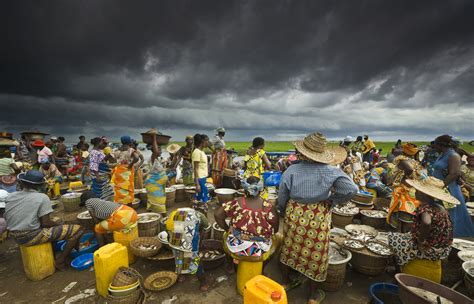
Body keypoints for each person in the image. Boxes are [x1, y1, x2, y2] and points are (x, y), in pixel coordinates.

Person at [277, 132, 357, 304]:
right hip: (318, 215)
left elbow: (282, 196)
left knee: (290, 245)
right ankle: (312, 297)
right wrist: (332, 201)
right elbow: (351, 189)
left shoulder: (291, 170)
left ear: (302, 152)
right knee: (316, 253)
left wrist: (284, 211)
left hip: (295, 213)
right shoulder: (331, 171)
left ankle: (285, 282)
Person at [5, 170, 83, 270]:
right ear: (39, 185)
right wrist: (60, 223)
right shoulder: (42, 197)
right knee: (78, 229)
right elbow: (46, 223)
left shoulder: (11, 196)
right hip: (30, 236)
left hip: (14, 235)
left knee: (56, 223)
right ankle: (60, 261)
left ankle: (55, 251)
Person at [388, 176, 456, 269]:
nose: (414, 192)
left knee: (392, 238)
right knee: (406, 235)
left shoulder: (425, 208)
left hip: (427, 248)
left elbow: (426, 222)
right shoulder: (441, 208)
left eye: (416, 190)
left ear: (422, 193)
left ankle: (398, 269)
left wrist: (421, 241)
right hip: (442, 248)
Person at [214, 176, 280, 263]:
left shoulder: (237, 203)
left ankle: (231, 265)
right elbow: (275, 230)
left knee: (225, 236)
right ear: (261, 190)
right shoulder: (268, 207)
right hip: (260, 250)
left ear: (244, 189)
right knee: (278, 238)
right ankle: (263, 266)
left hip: (236, 247)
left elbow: (217, 215)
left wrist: (227, 230)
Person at [432, 135, 474, 237]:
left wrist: (439, 187)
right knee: (441, 213)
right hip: (440, 188)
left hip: (450, 190)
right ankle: (442, 236)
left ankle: (454, 237)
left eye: (435, 144)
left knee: (452, 215)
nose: (434, 147)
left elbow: (453, 174)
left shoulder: (453, 156)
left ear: (441, 145)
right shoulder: (442, 154)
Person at [164, 207, 213, 291]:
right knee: (194, 258)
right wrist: (200, 242)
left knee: (179, 255)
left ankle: (181, 275)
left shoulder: (176, 212)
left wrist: (171, 242)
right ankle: (203, 282)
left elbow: (167, 229)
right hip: (184, 234)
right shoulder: (200, 216)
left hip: (173, 234)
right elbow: (206, 229)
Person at [386, 156, 424, 232]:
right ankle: (403, 232)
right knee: (405, 214)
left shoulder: (402, 162)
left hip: (406, 192)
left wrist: (404, 179)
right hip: (410, 190)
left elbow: (409, 170)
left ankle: (401, 233)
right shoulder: (408, 161)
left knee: (404, 213)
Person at [111, 136, 140, 204]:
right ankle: (129, 206)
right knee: (128, 189)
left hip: (119, 171)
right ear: (129, 142)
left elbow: (110, 158)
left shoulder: (117, 150)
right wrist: (130, 164)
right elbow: (136, 157)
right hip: (127, 172)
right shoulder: (130, 150)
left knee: (119, 189)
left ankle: (120, 205)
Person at [144, 135, 168, 214]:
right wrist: (154, 137)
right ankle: (164, 216)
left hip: (157, 185)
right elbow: (156, 152)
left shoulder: (158, 159)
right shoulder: (153, 157)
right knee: (158, 202)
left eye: (160, 149)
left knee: (154, 201)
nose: (160, 151)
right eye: (159, 149)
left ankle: (151, 213)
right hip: (154, 185)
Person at [192, 134, 210, 212]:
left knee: (203, 197)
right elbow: (195, 168)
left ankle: (201, 212)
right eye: (207, 141)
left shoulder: (201, 151)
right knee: (200, 198)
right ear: (203, 141)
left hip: (202, 177)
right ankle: (200, 213)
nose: (208, 143)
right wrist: (197, 184)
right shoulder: (197, 152)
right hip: (199, 178)